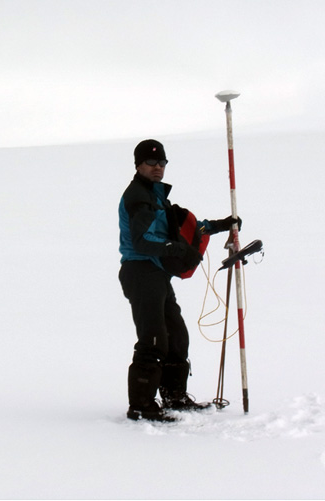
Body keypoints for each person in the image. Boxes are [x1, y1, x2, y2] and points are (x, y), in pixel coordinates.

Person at [118, 139, 238, 422]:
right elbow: (142, 239)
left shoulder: (156, 195)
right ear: (138, 165)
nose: (158, 168)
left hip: (156, 273)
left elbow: (179, 227)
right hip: (140, 271)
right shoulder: (138, 196)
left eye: (162, 163)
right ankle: (142, 405)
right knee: (154, 338)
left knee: (176, 336)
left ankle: (174, 397)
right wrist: (171, 249)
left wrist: (219, 226)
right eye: (151, 163)